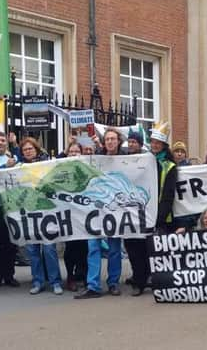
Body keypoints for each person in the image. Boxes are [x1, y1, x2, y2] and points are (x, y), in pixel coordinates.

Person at [75, 128, 125, 299]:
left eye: (113, 139)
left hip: (115, 210)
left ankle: (113, 283)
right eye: (108, 139)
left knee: (114, 248)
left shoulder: (127, 159)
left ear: (119, 141)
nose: (110, 141)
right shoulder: (97, 158)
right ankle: (93, 285)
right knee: (93, 247)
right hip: (95, 210)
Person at [19, 137, 63, 296]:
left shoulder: (47, 165)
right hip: (30, 215)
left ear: (36, 149)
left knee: (49, 248)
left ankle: (55, 281)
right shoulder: (19, 167)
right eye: (25, 150)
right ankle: (37, 281)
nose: (28, 152)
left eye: (30, 149)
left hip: (46, 214)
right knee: (32, 250)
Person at [0, 131, 21, 289]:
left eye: (3, 140)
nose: (0, 143)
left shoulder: (13, 158)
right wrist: (3, 167)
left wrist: (15, 145)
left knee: (11, 243)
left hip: (12, 206)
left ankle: (9, 275)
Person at [123, 130, 150, 296]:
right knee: (130, 247)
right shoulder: (122, 158)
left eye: (135, 142)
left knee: (142, 247)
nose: (131, 144)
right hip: (126, 211)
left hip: (142, 210)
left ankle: (141, 281)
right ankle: (138, 275)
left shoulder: (148, 160)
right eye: (130, 141)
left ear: (140, 144)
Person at [61, 141, 88, 292]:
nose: (74, 154)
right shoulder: (62, 169)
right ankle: (70, 277)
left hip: (83, 215)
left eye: (77, 151)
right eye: (71, 151)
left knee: (83, 248)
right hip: (67, 215)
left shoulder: (85, 169)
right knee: (70, 248)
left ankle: (82, 275)